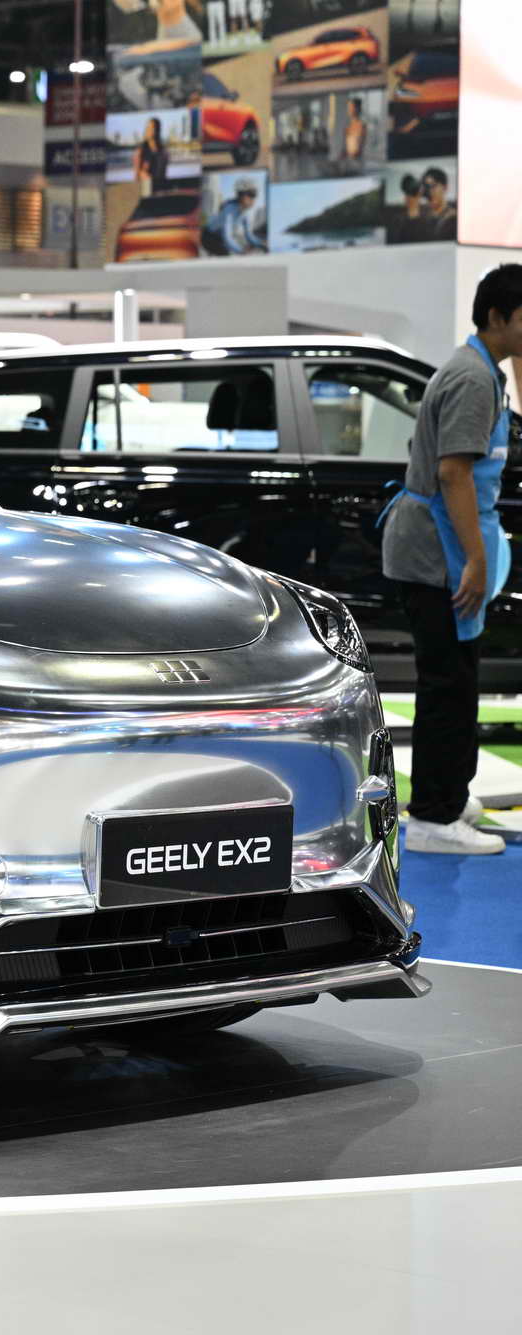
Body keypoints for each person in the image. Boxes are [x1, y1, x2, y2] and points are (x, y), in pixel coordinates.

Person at [379, 263, 522, 855]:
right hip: (438, 555)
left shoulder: (485, 371)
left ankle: (449, 796)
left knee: (457, 681)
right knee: (447, 686)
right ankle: (433, 819)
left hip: (446, 552)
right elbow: (454, 473)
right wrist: (475, 561)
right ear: (498, 317)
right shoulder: (471, 378)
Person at [205, 178, 267, 254]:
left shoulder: (245, 213)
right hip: (209, 236)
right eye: (252, 194)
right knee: (227, 254)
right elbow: (227, 238)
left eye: (255, 195)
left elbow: (249, 236)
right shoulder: (229, 209)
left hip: (220, 237)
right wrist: (242, 252)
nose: (254, 198)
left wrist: (261, 245)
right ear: (241, 196)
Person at [133, 118, 168, 196]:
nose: (150, 130)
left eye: (153, 127)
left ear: (158, 130)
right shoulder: (140, 151)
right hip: (146, 189)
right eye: (148, 128)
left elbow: (163, 174)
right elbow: (137, 175)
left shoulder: (163, 152)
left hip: (160, 189)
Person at [342, 100, 367, 164]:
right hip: (348, 160)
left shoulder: (362, 125)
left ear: (357, 109)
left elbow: (360, 148)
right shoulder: (348, 126)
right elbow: (345, 147)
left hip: (357, 161)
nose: (349, 110)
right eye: (348, 108)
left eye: (351, 107)